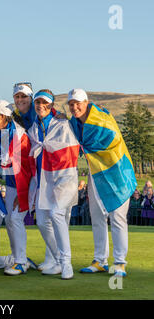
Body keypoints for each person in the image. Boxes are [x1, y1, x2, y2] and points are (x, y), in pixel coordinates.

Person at [68, 89, 137, 277]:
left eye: (78, 103)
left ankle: (120, 262)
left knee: (118, 217)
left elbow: (113, 139)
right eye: (71, 104)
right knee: (97, 216)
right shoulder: (74, 123)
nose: (75, 107)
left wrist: (86, 146)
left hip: (117, 172)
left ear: (86, 102)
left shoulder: (102, 119)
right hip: (96, 173)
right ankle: (100, 260)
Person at [27, 89, 79, 279]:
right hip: (43, 180)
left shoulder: (62, 124)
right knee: (41, 222)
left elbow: (71, 149)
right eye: (38, 103)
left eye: (45, 103)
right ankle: (58, 259)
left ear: (51, 106)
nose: (41, 106)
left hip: (64, 178)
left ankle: (66, 263)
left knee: (57, 214)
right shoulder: (34, 127)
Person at [0, 100, 35, 275]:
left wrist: (23, 193)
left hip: (26, 182)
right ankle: (18, 258)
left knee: (16, 220)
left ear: (3, 117)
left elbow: (25, 168)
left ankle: (21, 261)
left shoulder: (19, 135)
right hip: (12, 182)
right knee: (11, 221)